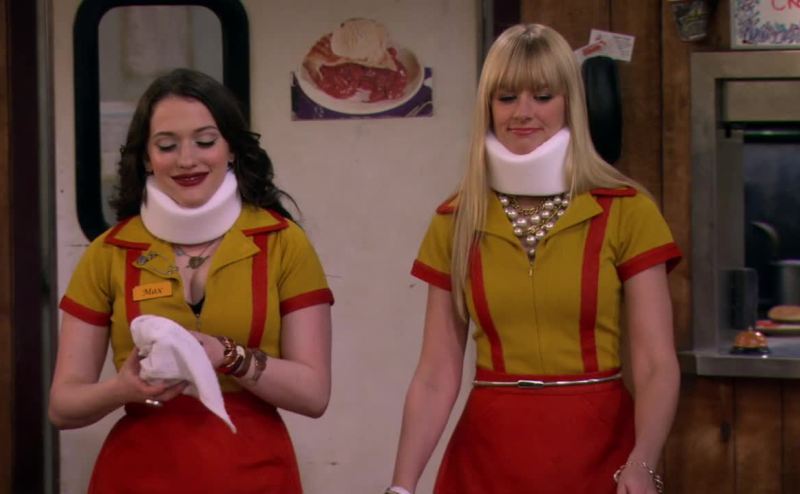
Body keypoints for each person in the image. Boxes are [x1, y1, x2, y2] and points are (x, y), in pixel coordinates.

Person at [386, 24, 681, 494]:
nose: (523, 112)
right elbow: (436, 374)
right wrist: (401, 487)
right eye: (506, 98)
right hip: (486, 456)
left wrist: (643, 462)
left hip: (600, 449)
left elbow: (655, 363)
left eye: (542, 96)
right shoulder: (456, 221)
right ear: (488, 107)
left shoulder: (627, 211)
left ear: (570, 103)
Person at [48, 68, 333, 493]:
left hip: (254, 471)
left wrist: (227, 355)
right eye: (167, 146)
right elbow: (62, 406)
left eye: (205, 141)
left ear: (231, 149)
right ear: (146, 158)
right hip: (139, 475)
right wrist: (122, 389)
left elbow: (313, 394)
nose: (186, 160)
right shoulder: (110, 251)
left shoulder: (282, 242)